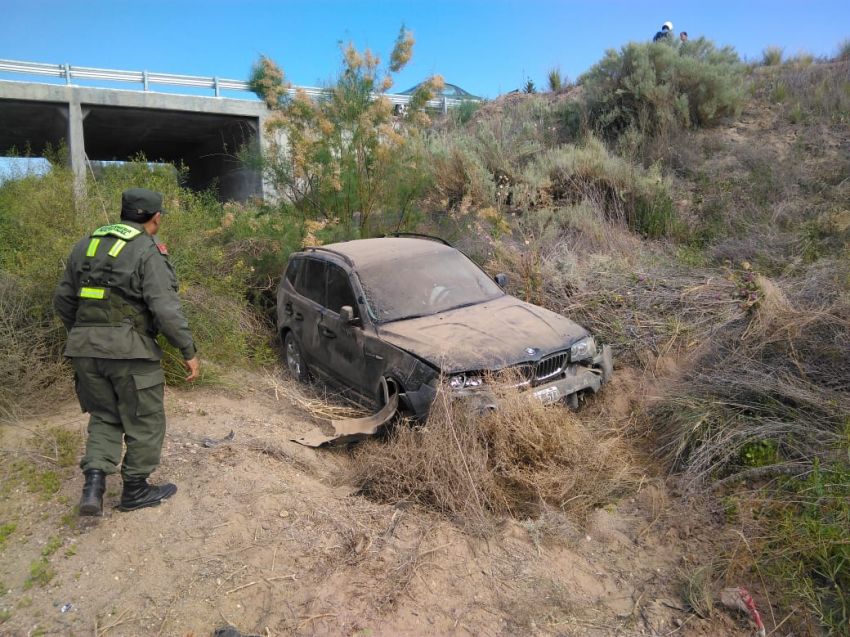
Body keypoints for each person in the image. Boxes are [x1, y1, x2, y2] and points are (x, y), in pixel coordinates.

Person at [54, 188, 200, 516]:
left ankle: (94, 485)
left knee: (105, 415)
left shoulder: (86, 244)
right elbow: (164, 308)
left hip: (84, 350)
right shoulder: (147, 250)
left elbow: (63, 300)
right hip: (130, 352)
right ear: (156, 217)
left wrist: (82, 333)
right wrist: (187, 349)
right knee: (144, 419)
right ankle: (134, 489)